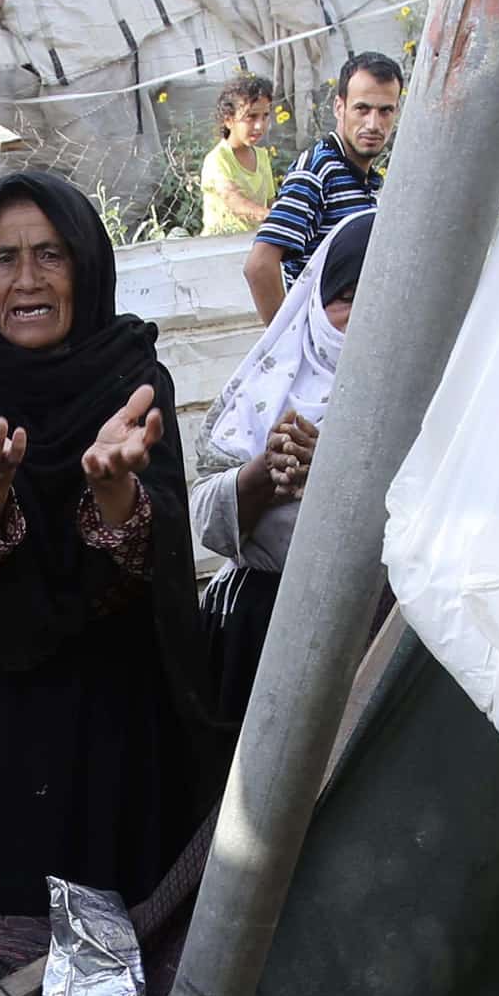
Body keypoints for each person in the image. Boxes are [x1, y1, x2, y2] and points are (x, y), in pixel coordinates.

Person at [0, 171, 224, 960]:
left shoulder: (133, 377)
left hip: (114, 708)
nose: (28, 280)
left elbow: (155, 557)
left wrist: (113, 493)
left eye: (50, 255)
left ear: (87, 267)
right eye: (5, 259)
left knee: (111, 920)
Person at [195, 209, 372, 720]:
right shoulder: (270, 388)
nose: (363, 316)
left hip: (374, 633)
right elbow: (207, 521)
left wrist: (336, 474)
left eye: (381, 297)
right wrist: (262, 475)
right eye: (347, 297)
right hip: (260, 629)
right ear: (316, 301)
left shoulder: (434, 394)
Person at [243, 52, 401, 321]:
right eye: (362, 109)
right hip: (324, 347)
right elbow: (259, 266)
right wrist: (285, 347)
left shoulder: (361, 178)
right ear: (339, 108)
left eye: (385, 110)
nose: (373, 124)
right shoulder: (317, 170)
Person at [197, 74, 282, 236]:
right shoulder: (218, 160)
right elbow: (234, 201)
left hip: (253, 244)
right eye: (251, 117)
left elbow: (271, 202)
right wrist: (271, 216)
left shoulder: (262, 156)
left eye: (265, 116)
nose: (260, 126)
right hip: (219, 247)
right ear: (228, 120)